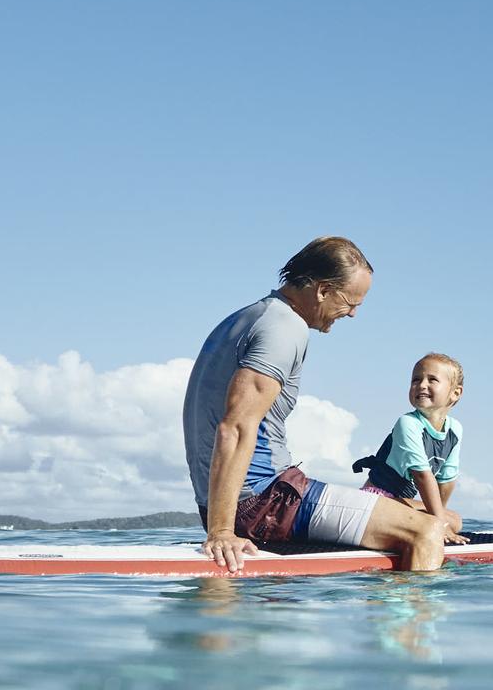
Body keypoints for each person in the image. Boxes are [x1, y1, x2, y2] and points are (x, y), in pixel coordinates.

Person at [181, 236, 445, 572]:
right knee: (426, 531)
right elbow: (235, 427)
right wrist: (221, 532)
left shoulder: (244, 318)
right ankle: (408, 608)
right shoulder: (284, 328)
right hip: (265, 502)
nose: (353, 313)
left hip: (237, 501)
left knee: (438, 515)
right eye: (350, 302)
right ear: (322, 290)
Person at [354, 353, 471, 545]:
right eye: (416, 380)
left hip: (400, 503)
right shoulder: (408, 423)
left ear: (455, 393)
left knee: (455, 520)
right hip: (375, 501)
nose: (422, 385)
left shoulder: (454, 430)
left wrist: (439, 517)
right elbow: (422, 476)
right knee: (446, 520)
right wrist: (439, 524)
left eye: (432, 379)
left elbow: (447, 480)